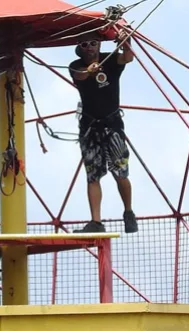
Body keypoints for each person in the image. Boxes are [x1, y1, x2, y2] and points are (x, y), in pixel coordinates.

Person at [68, 30, 137, 234]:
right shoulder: (76, 65)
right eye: (84, 44)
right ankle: (96, 221)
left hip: (112, 126)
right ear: (79, 48)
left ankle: (128, 212)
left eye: (93, 43)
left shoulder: (111, 60)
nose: (89, 47)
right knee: (93, 175)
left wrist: (126, 41)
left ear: (99, 44)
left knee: (120, 172)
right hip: (90, 128)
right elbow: (79, 75)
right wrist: (89, 71)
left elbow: (128, 57)